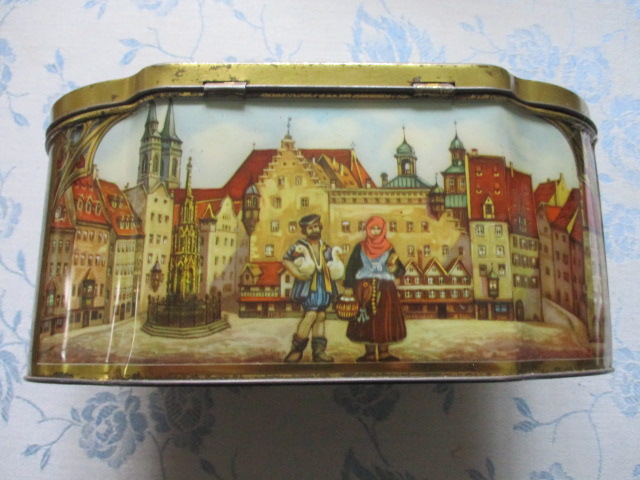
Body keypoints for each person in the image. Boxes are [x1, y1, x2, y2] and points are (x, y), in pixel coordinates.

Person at [343, 216, 406, 361]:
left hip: (385, 288)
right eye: (373, 228)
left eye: (378, 228)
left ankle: (384, 352)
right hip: (363, 287)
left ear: (383, 230)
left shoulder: (389, 248)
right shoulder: (360, 247)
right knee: (366, 319)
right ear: (368, 229)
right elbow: (351, 267)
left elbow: (400, 269)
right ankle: (369, 353)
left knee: (384, 318)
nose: (376, 231)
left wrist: (395, 269)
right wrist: (349, 286)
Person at [282, 214, 340, 362]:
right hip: (308, 285)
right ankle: (296, 350)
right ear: (304, 230)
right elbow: (286, 260)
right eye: (310, 228)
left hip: (324, 284)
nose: (313, 230)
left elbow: (333, 264)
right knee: (311, 314)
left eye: (315, 227)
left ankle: (319, 352)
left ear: (320, 227)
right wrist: (297, 273)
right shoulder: (299, 245)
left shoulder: (325, 246)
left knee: (321, 316)